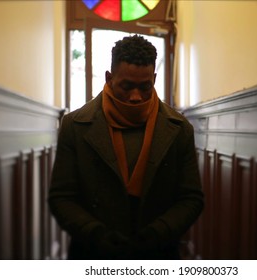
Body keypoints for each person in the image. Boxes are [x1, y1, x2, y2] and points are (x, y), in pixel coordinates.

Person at [48, 35, 203, 260]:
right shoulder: (75, 125)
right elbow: (61, 196)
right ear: (109, 78)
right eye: (126, 86)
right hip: (93, 252)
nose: (135, 97)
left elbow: (191, 198)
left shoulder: (179, 129)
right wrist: (96, 234)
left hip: (157, 252)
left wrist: (157, 233)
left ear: (154, 79)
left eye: (145, 87)